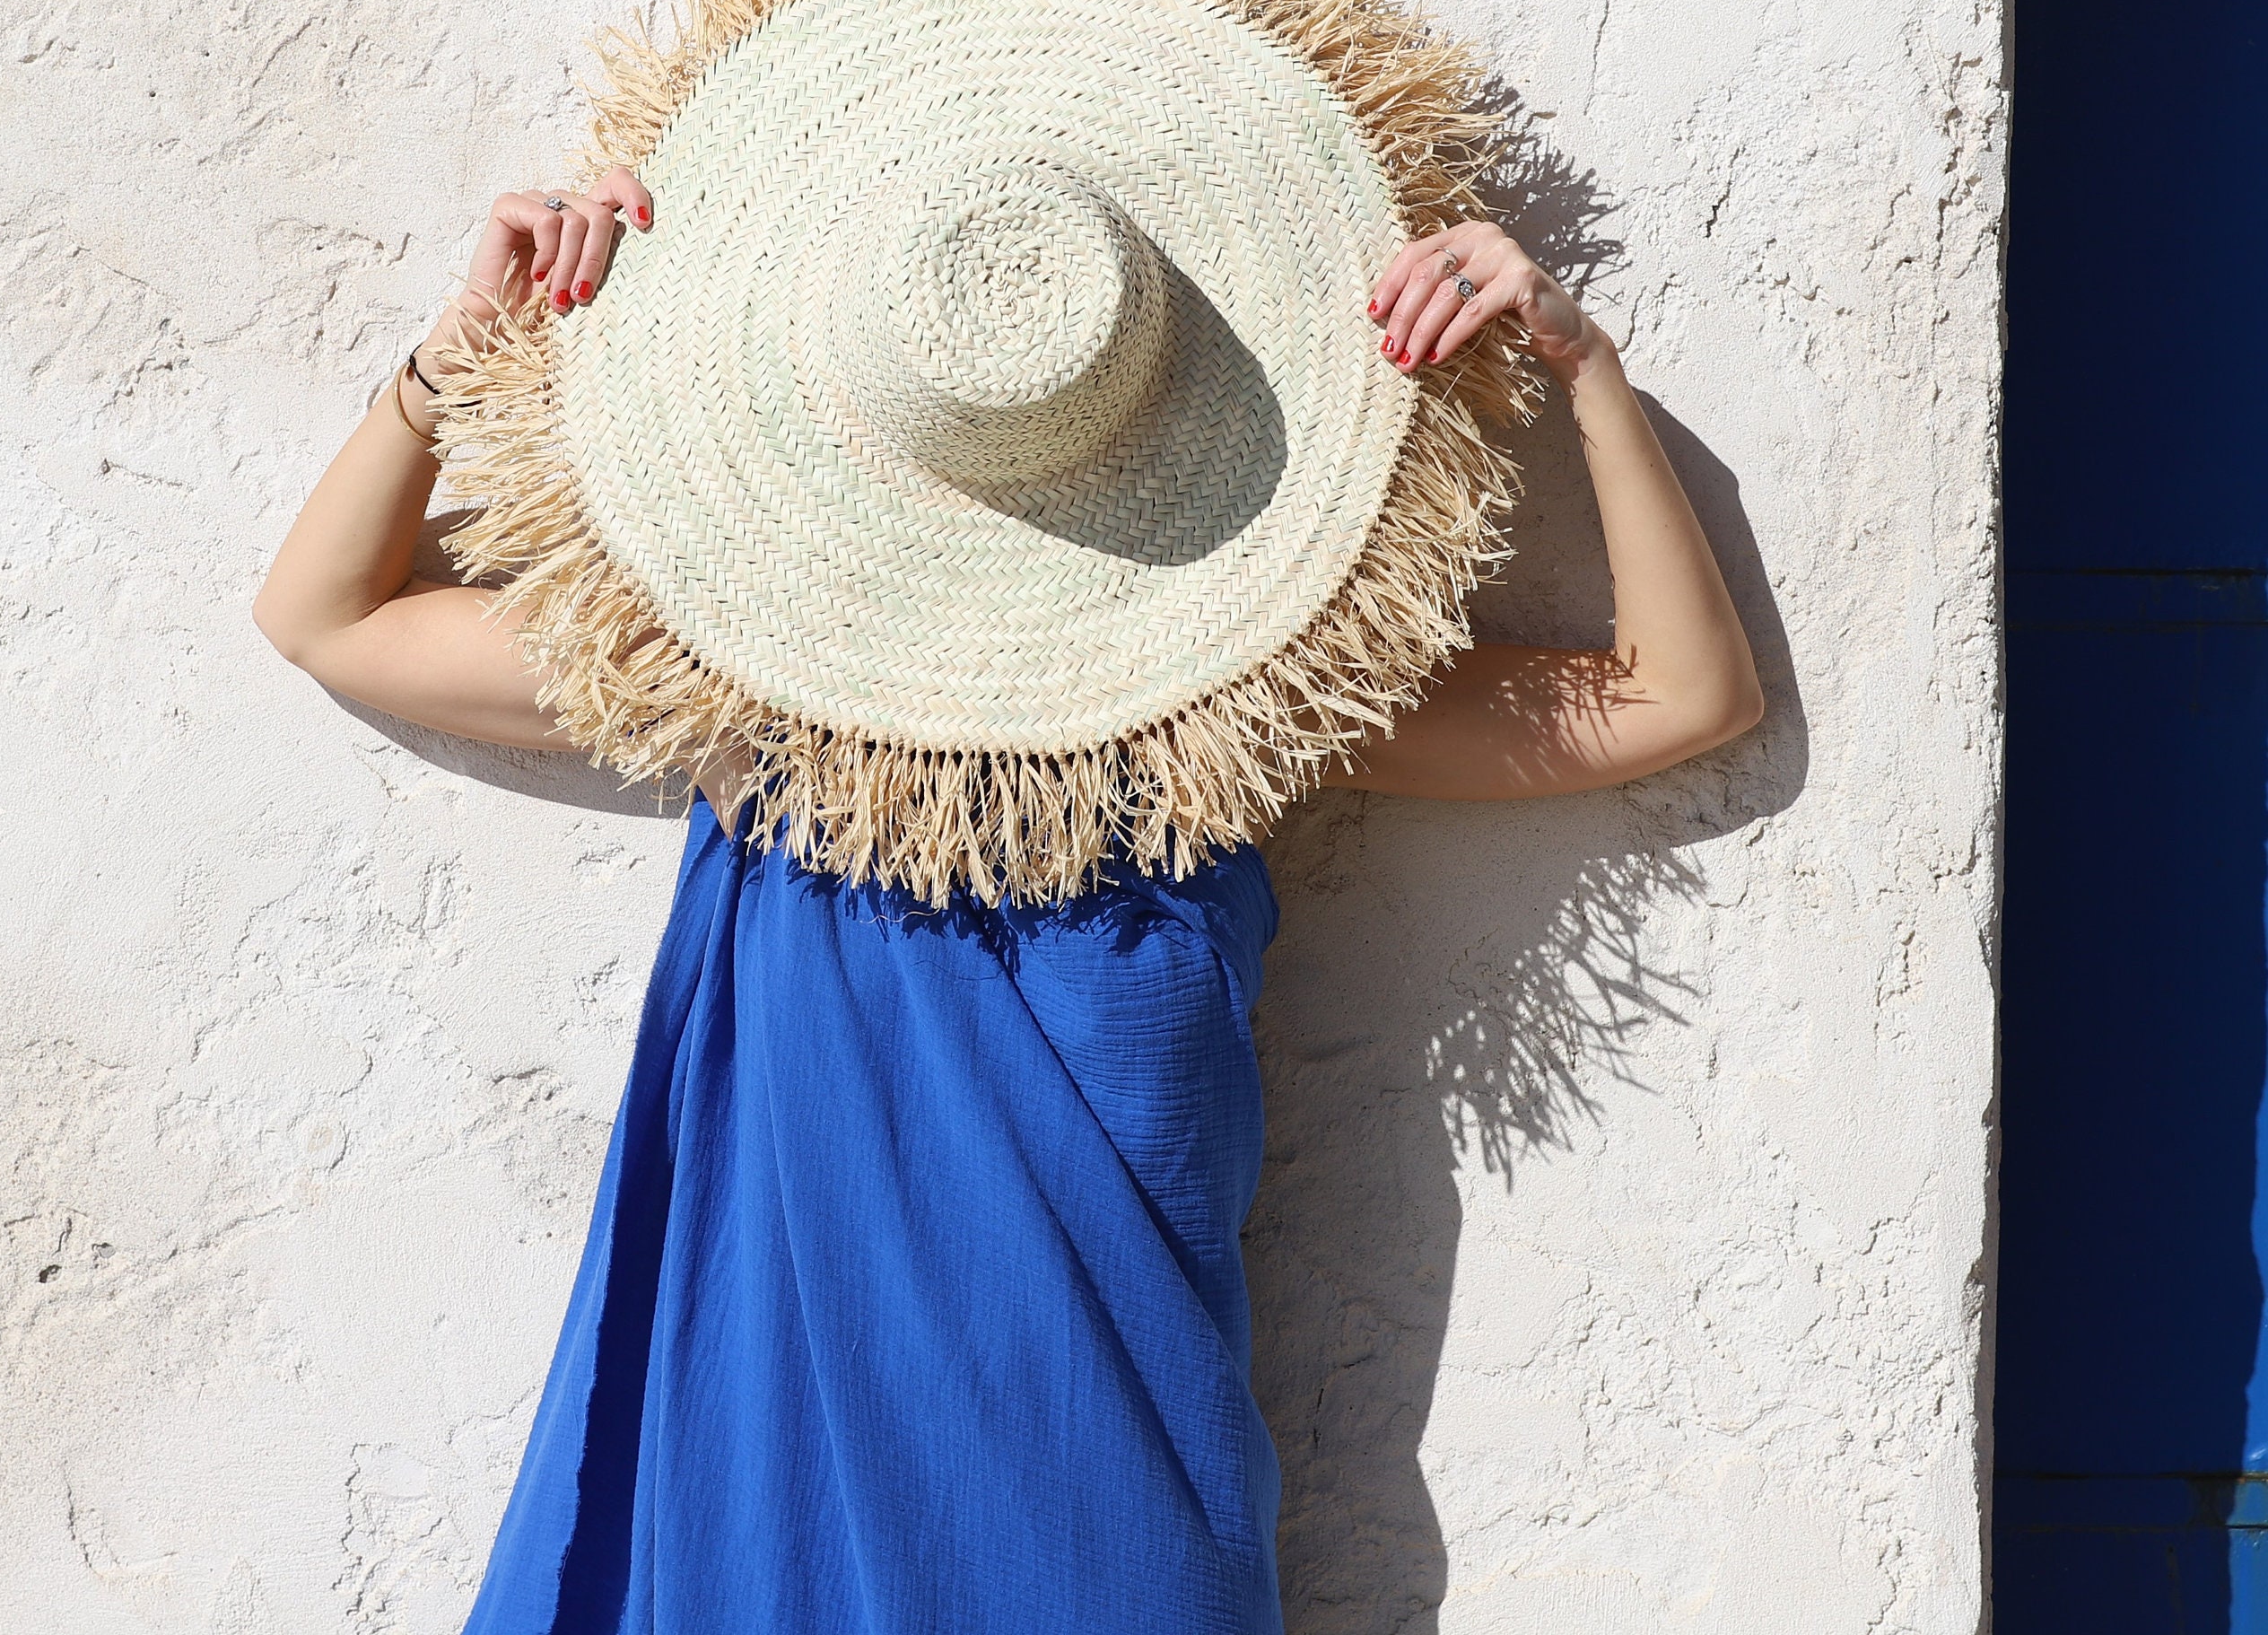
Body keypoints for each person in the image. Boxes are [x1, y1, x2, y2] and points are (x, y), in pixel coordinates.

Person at [254, 167, 1763, 1635]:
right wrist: (457, 348)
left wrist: (1583, 365)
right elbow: (321, 616)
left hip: (1117, 1553)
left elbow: (1680, 695)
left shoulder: (1219, 715)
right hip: (778, 1525)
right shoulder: (752, 715)